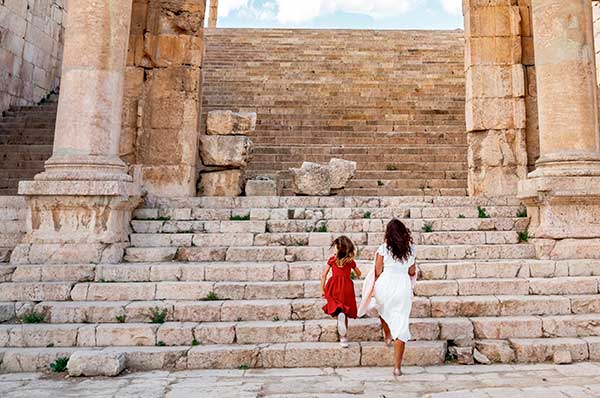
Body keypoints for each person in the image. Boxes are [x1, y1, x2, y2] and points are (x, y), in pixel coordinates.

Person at [373, 219, 416, 376]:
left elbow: (377, 271)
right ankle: (397, 368)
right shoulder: (411, 250)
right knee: (401, 325)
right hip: (402, 286)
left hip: (385, 284)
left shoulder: (384, 248)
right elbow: (412, 271)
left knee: (383, 309)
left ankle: (387, 334)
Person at [321, 235, 362, 348]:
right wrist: (351, 274)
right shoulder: (350, 261)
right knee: (345, 311)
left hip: (333, 285)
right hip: (347, 287)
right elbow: (359, 274)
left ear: (338, 248)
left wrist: (322, 289)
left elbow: (324, 275)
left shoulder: (332, 260)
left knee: (334, 308)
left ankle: (339, 319)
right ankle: (343, 338)